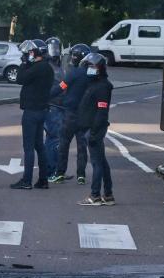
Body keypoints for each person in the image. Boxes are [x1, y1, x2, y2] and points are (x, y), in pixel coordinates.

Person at [11, 39, 53, 190]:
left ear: (35, 53)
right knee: (39, 146)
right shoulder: (47, 68)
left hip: (31, 111)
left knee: (28, 147)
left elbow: (20, 79)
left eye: (30, 52)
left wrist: (23, 63)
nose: (28, 54)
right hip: (42, 110)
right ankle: (43, 179)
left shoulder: (36, 68)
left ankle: (26, 180)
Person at [49, 44, 91, 184]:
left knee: (64, 143)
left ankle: (60, 173)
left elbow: (61, 87)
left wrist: (46, 96)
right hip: (85, 115)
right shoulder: (91, 74)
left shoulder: (73, 73)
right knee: (82, 146)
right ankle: (81, 175)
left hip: (70, 114)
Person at [77, 52, 114, 205]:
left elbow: (101, 112)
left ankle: (95, 195)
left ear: (100, 68)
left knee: (96, 163)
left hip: (94, 129)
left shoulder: (102, 87)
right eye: (88, 66)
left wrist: (93, 133)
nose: (89, 69)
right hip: (90, 128)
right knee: (102, 162)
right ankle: (109, 194)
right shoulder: (94, 83)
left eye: (92, 66)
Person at [43, 37, 65, 170]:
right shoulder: (49, 66)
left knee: (55, 139)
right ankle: (51, 169)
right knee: (53, 138)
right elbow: (52, 89)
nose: (55, 51)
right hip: (53, 106)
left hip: (59, 105)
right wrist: (64, 86)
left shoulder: (58, 65)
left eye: (57, 47)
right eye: (53, 48)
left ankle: (54, 168)